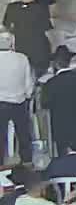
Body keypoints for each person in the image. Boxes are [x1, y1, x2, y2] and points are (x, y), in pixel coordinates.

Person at [42, 46, 76, 154]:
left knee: (63, 157)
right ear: (69, 61)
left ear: (55, 64)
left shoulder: (50, 84)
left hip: (61, 130)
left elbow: (44, 105)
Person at [4, 0, 49, 75]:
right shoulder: (41, 7)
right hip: (39, 49)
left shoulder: (11, 7)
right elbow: (47, 28)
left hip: (21, 47)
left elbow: (6, 25)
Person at [0, 33, 28, 165]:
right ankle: (27, 161)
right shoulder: (22, 58)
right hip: (19, 102)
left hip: (1, 103)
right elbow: (29, 86)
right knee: (24, 134)